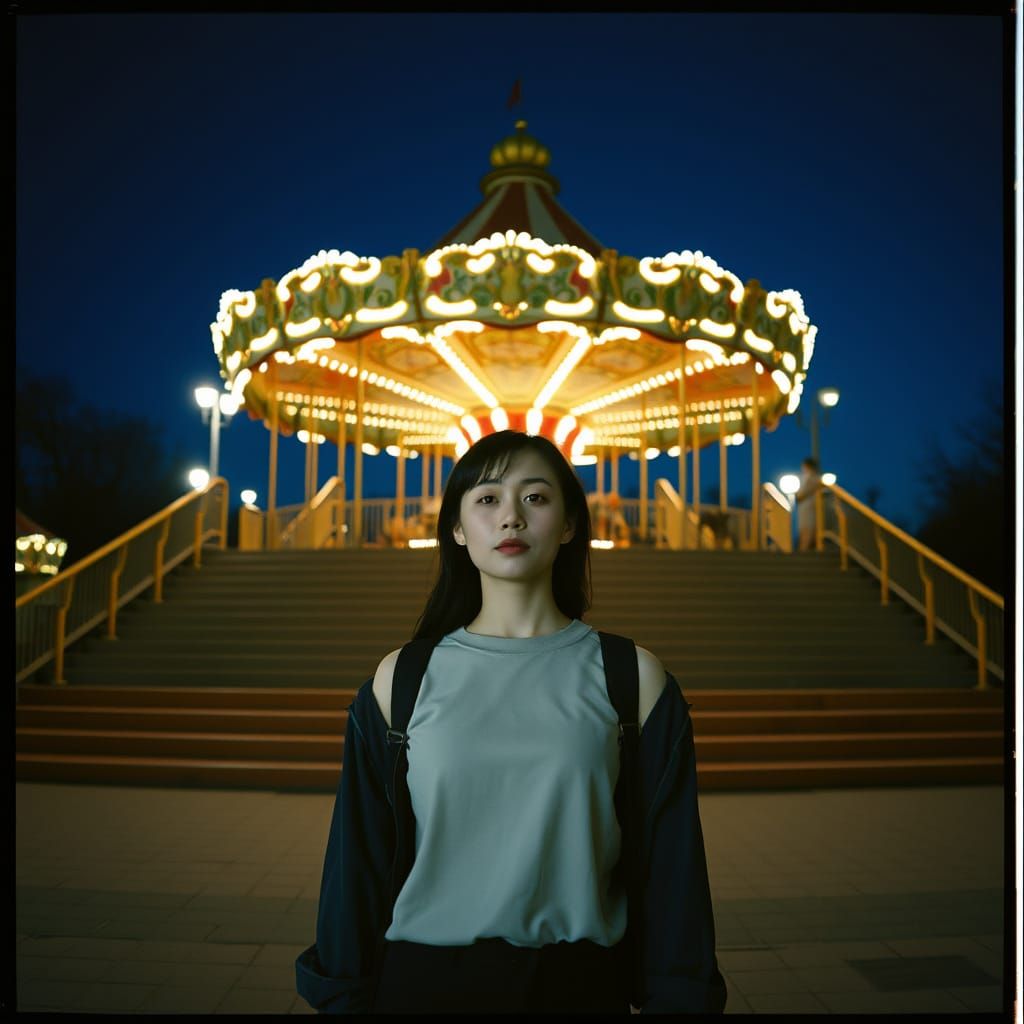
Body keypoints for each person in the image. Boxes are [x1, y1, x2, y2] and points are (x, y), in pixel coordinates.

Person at [295, 429, 726, 1014]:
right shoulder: (401, 679)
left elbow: (675, 874)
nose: (511, 519)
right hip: (422, 985)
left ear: (570, 523)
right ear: (456, 528)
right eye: (488, 498)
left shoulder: (633, 679)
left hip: (579, 987)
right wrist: (342, 996)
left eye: (536, 498)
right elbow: (357, 862)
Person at [794, 456, 823, 551]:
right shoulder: (805, 477)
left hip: (810, 506)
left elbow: (805, 492)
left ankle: (804, 549)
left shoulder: (813, 478)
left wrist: (799, 496)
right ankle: (804, 548)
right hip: (805, 506)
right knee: (805, 528)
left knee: (808, 528)